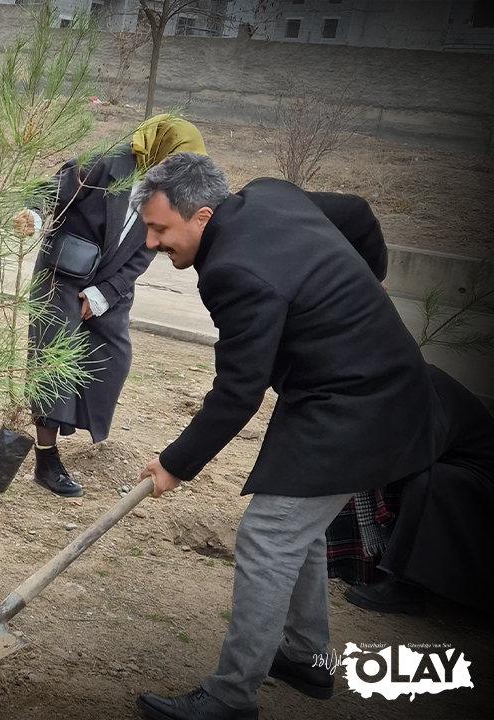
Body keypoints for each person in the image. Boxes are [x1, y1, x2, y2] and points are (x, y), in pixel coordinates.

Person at [128, 153, 443, 720]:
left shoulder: (234, 272)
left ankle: (230, 698)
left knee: (269, 534)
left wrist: (176, 463)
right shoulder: (271, 194)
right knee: (296, 526)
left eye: (159, 229)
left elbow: (238, 391)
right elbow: (358, 215)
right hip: (349, 390)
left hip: (362, 404)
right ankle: (304, 656)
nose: (150, 244)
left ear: (202, 216)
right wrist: (367, 282)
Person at [15, 115, 206, 497]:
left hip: (112, 283)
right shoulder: (105, 162)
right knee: (53, 363)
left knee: (113, 358)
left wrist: (103, 294)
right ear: (159, 149)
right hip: (63, 274)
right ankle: (45, 457)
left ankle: (75, 432)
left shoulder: (171, 195)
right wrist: (33, 214)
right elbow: (50, 189)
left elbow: (146, 252)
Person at [333, 364, 494, 616]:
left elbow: (420, 451)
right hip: (449, 466)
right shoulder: (396, 382)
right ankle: (353, 562)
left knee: (428, 481)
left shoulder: (427, 390)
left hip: (480, 487)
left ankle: (403, 585)